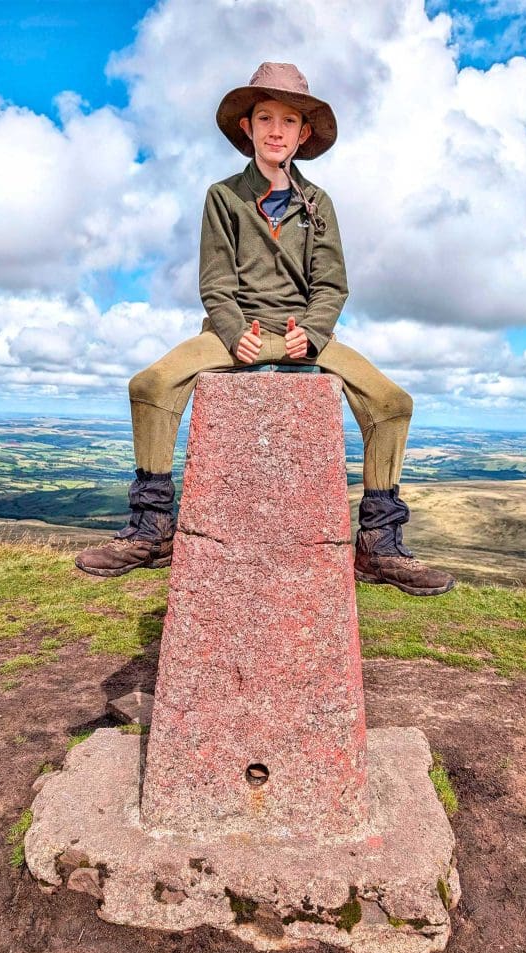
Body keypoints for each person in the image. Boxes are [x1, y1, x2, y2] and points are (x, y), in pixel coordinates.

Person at [75, 62, 455, 598]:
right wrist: (232, 333)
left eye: (289, 119)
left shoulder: (318, 203)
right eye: (265, 117)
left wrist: (316, 334)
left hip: (304, 333)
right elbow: (214, 282)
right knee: (151, 385)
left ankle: (379, 543)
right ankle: (153, 527)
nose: (276, 129)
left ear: (303, 133)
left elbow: (332, 286)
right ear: (247, 128)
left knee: (393, 401)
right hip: (236, 332)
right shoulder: (223, 196)